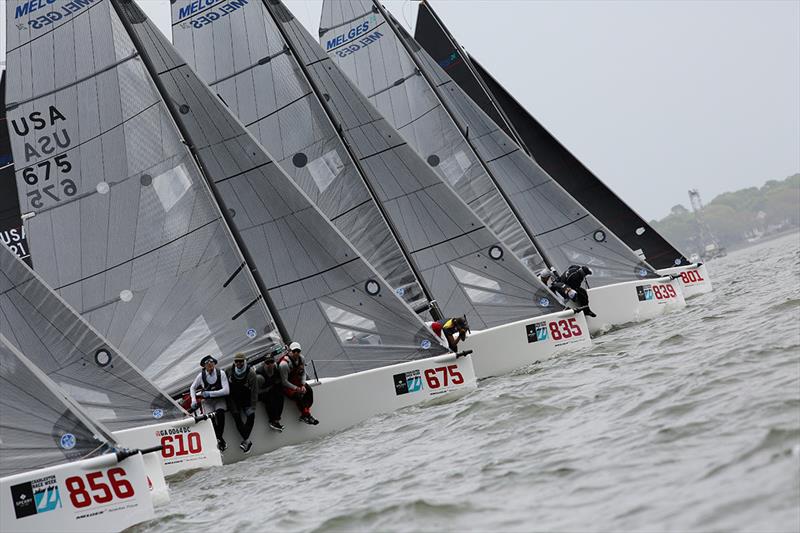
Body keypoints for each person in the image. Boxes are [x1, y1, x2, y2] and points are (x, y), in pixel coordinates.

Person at [189, 355, 230, 451]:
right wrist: (193, 400)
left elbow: (226, 390)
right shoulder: (201, 376)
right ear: (204, 366)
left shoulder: (221, 373)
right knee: (210, 419)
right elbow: (192, 387)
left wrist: (210, 393)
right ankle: (220, 439)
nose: (210, 364)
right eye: (207, 363)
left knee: (220, 414)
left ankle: (219, 438)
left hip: (219, 399)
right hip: (207, 402)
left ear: (214, 363)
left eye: (211, 362)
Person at [225, 353, 260, 453]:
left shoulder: (251, 373)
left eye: (241, 361)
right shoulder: (228, 371)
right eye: (236, 361)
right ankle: (247, 440)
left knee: (251, 415)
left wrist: (253, 406)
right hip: (233, 399)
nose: (238, 363)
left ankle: (246, 440)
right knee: (236, 416)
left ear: (244, 361)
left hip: (246, 399)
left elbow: (254, 391)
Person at [278, 342, 319, 425]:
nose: (296, 353)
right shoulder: (284, 364)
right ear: (289, 351)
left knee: (309, 391)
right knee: (297, 396)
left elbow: (303, 373)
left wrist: (303, 385)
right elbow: (284, 381)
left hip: (297, 382)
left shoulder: (301, 358)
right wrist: (296, 388)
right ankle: (307, 415)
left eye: (298, 351)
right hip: (286, 386)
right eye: (294, 351)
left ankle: (305, 414)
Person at [255, 352, 285, 431]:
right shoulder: (259, 375)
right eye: (267, 363)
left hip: (271, 390)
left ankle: (277, 420)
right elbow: (255, 391)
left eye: (271, 362)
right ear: (264, 363)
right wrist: (267, 389)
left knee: (280, 396)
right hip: (260, 393)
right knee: (269, 398)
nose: (270, 364)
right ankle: (272, 421)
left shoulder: (276, 369)